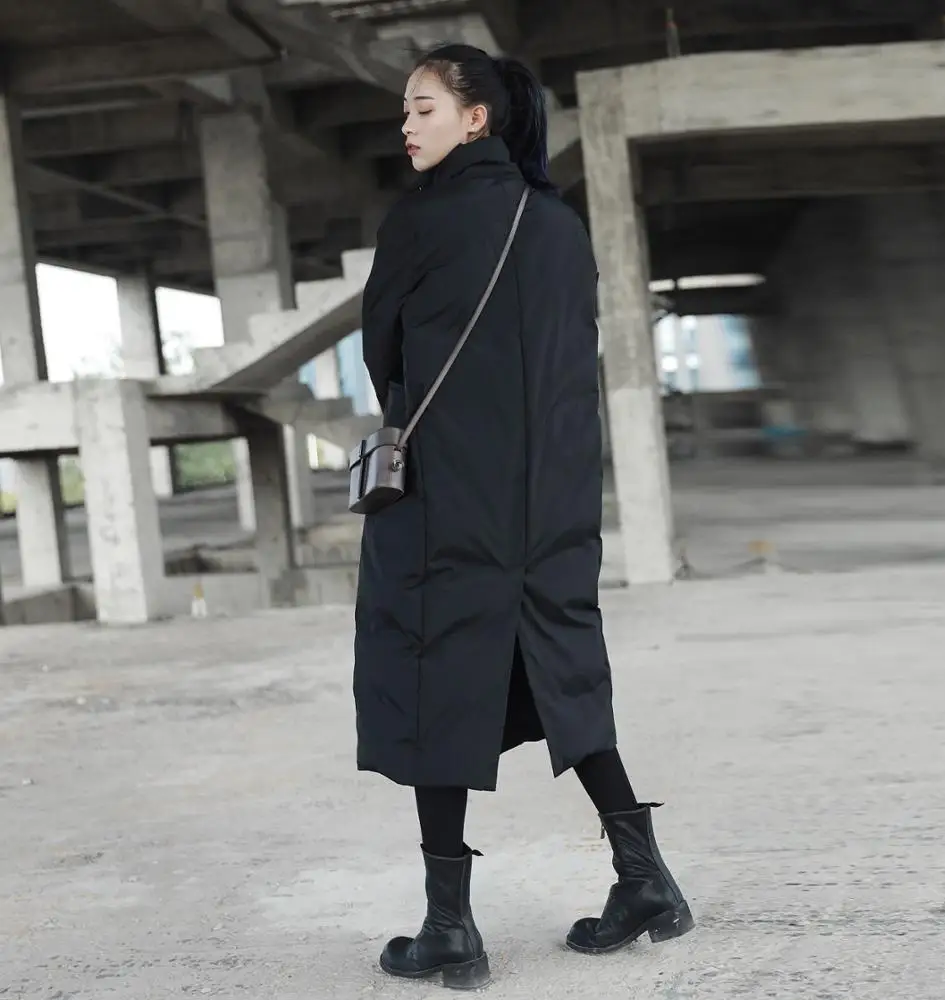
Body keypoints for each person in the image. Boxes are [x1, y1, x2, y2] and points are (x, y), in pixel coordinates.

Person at [354, 43, 694, 989]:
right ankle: (645, 879)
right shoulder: (556, 224)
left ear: (476, 118)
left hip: (446, 499)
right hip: (550, 503)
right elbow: (571, 363)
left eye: (422, 107)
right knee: (563, 676)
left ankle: (448, 929)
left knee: (433, 680)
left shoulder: (419, 221)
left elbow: (385, 357)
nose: (406, 124)